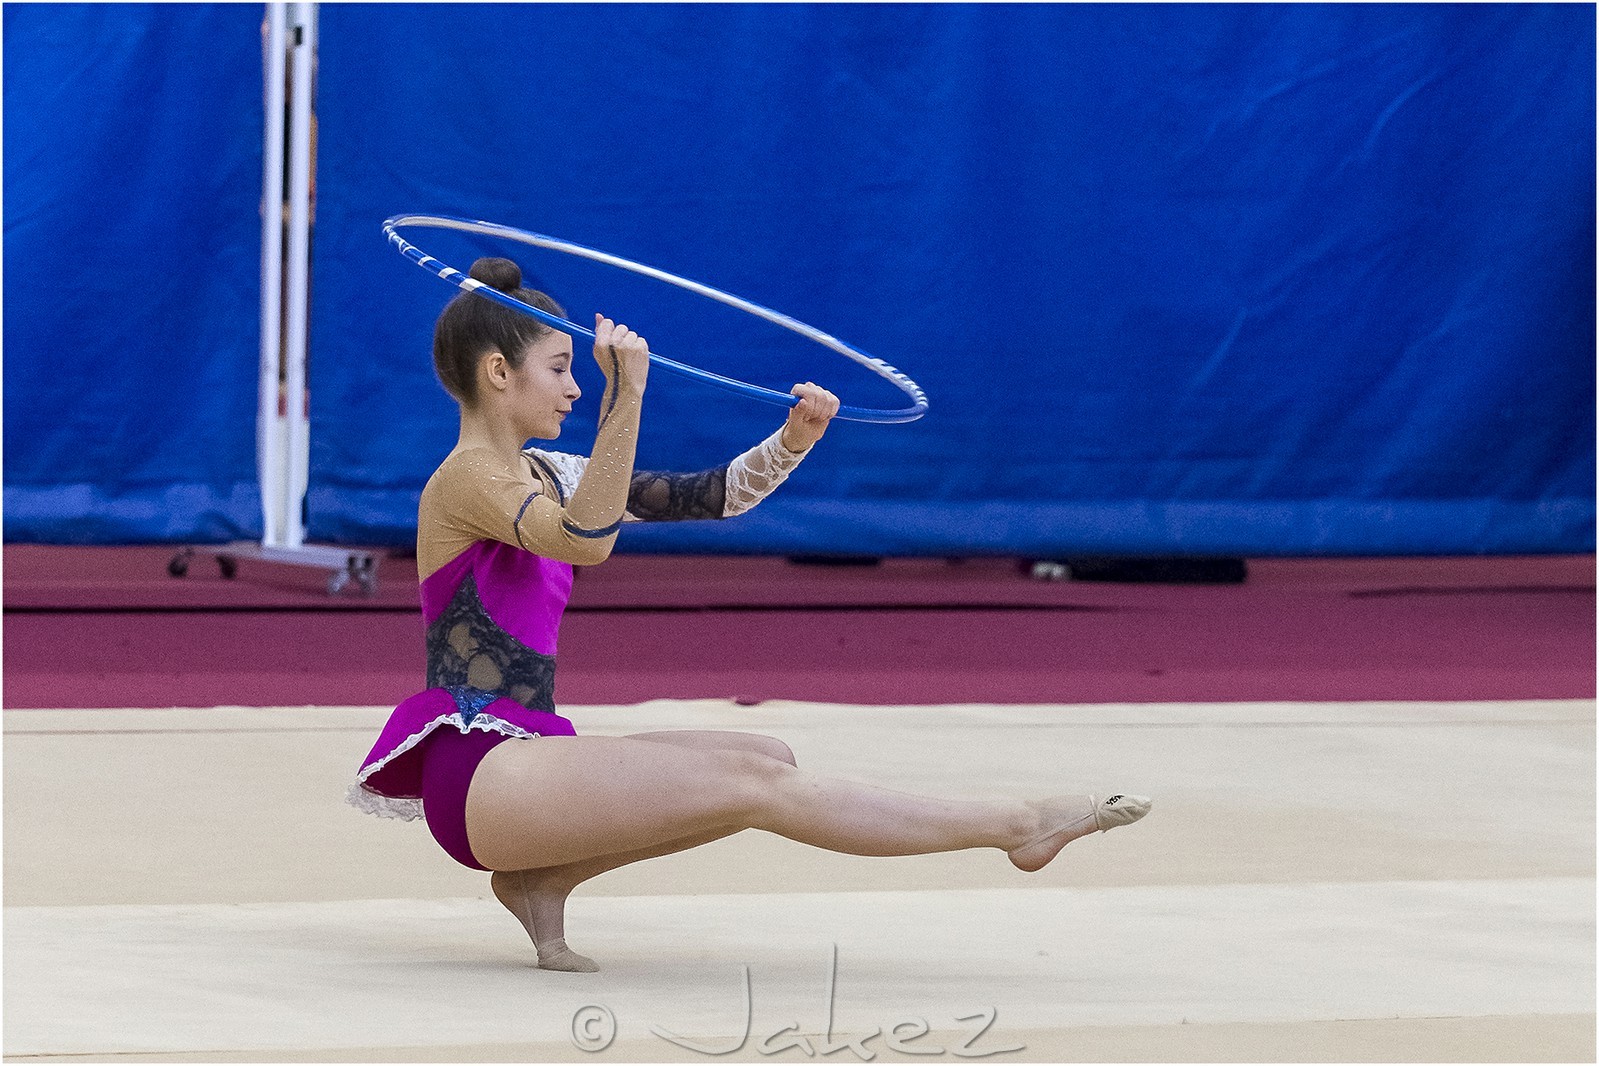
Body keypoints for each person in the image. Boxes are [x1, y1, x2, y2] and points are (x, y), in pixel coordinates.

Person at [350, 257, 1151, 972]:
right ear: (498, 372)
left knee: (766, 753)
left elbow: (714, 496)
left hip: (525, 758)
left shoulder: (548, 471)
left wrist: (792, 439)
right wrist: (626, 396)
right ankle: (1013, 823)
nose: (574, 387)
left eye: (576, 372)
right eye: (560, 369)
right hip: (478, 770)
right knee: (752, 784)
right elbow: (582, 540)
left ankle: (542, 880)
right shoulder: (467, 479)